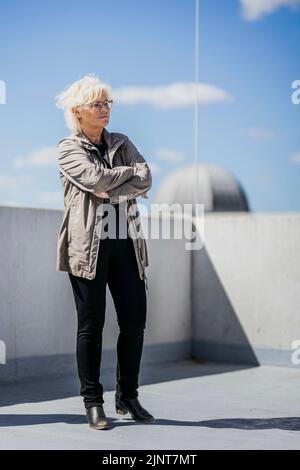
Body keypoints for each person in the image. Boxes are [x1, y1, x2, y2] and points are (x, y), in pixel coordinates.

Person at [55, 74, 154, 430]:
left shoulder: (122, 141)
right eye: (97, 104)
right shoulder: (68, 148)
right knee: (91, 326)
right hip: (88, 247)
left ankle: (127, 396)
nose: (104, 109)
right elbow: (95, 180)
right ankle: (93, 402)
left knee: (134, 323)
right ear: (78, 111)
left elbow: (146, 178)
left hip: (127, 243)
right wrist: (123, 181)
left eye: (107, 103)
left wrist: (113, 187)